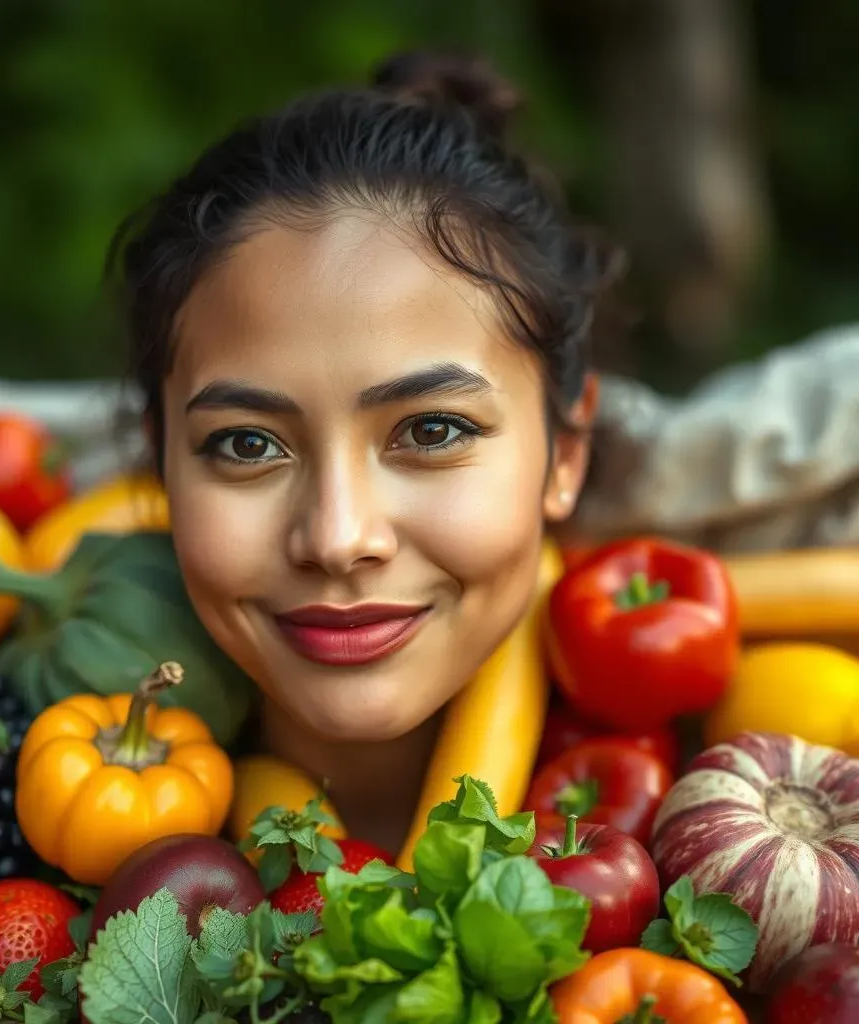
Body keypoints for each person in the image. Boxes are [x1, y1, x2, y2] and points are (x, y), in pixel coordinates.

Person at [109, 50, 621, 855]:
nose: (339, 538)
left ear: (565, 452)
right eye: (248, 444)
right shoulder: (42, 790)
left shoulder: (723, 780)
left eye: (432, 430)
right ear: (161, 460)